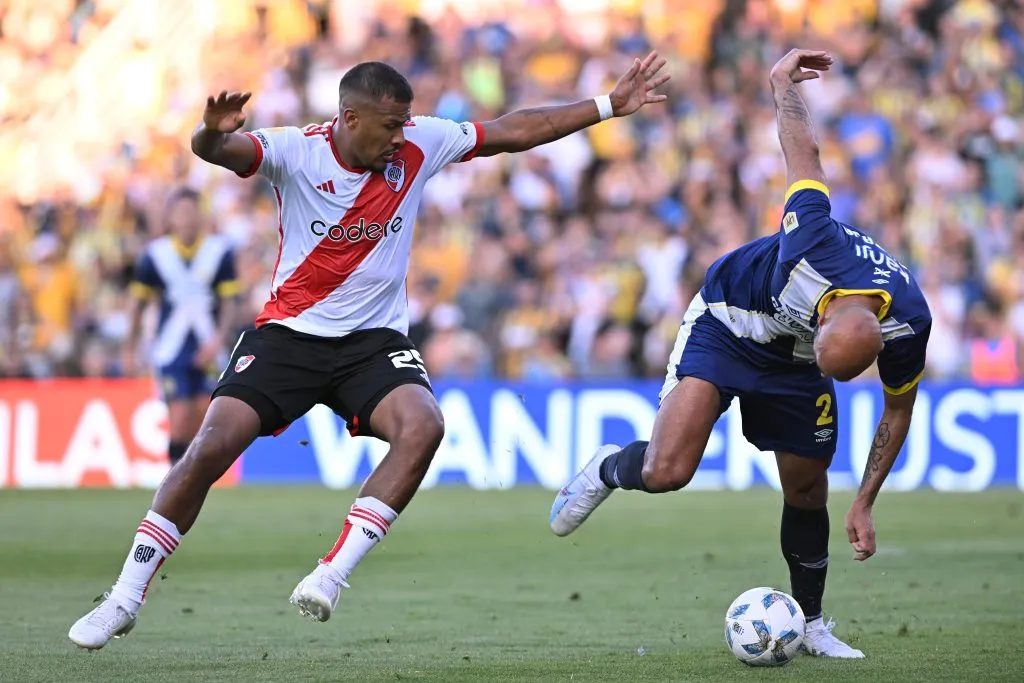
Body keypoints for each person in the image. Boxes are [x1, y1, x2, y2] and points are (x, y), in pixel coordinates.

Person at [69, 54, 670, 649]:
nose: (401, 135)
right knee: (208, 447)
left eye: (406, 122)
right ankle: (123, 596)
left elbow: (512, 131)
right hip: (290, 336)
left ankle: (332, 573)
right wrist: (207, 134)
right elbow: (223, 151)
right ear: (350, 118)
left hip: (373, 344)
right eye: (389, 124)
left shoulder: (417, 144)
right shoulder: (295, 151)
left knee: (424, 426)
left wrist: (608, 106)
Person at [549, 49, 932, 659]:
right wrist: (782, 83)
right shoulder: (811, 235)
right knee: (667, 472)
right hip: (726, 324)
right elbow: (802, 151)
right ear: (825, 315)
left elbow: (898, 411)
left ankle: (810, 623)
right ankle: (606, 468)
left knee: (808, 491)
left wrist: (865, 501)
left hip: (795, 362)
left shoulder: (910, 322)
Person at [123, 188, 240, 465]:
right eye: (181, 213)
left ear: (200, 216)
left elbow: (229, 302)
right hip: (171, 348)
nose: (187, 219)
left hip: (208, 345)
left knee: (203, 414)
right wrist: (130, 347)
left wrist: (220, 339)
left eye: (192, 212)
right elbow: (138, 305)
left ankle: (190, 478)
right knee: (179, 417)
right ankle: (175, 481)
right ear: (170, 218)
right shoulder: (155, 255)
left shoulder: (219, 251)